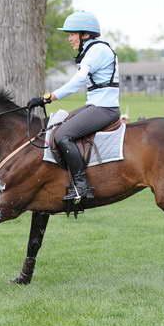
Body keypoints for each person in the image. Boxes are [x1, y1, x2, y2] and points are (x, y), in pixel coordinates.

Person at [28, 11, 120, 203]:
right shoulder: (92, 50)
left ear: (85, 34)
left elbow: (78, 81)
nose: (69, 39)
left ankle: (81, 186)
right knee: (57, 126)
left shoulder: (97, 51)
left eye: (72, 34)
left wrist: (48, 97)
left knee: (62, 135)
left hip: (104, 108)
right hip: (95, 105)